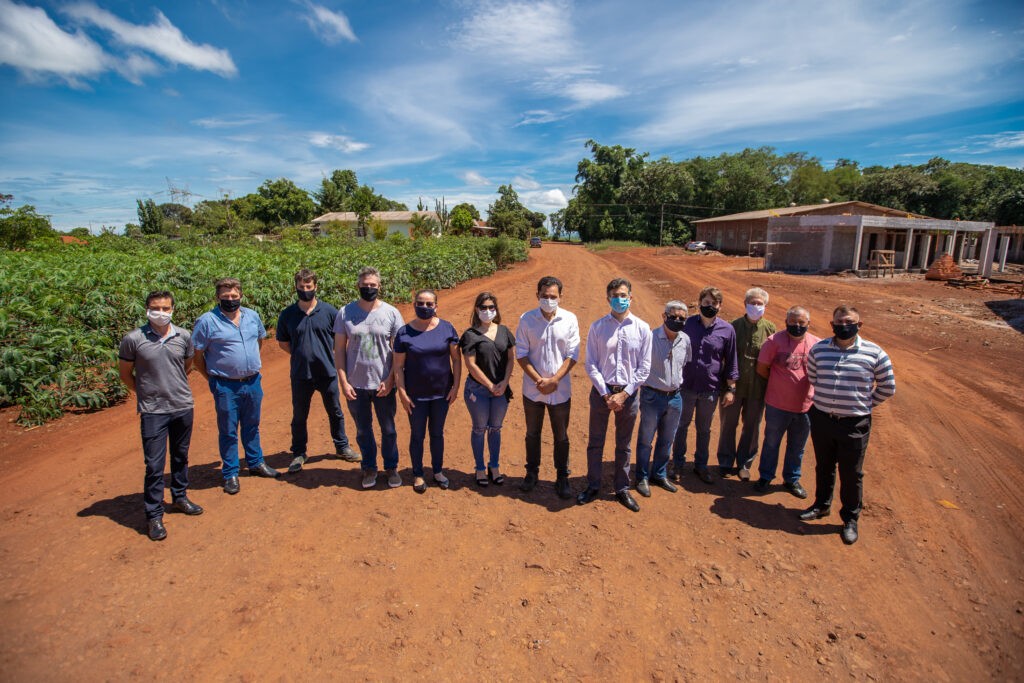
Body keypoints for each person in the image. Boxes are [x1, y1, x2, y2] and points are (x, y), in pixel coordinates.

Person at [800, 305, 896, 545]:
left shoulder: (874, 353)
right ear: (832, 325)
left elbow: (887, 387)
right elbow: (813, 377)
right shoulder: (819, 350)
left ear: (859, 325)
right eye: (839, 322)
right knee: (824, 466)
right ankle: (821, 505)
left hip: (854, 423)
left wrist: (862, 405)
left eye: (849, 322)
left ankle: (850, 519)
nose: (844, 326)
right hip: (822, 418)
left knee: (852, 473)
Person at [118, 290, 203, 541]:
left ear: (173, 310)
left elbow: (187, 367)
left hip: (182, 405)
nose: (161, 312)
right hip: (153, 411)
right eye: (156, 308)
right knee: (154, 465)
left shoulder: (183, 336)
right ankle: (154, 514)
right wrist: (144, 393)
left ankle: (179, 497)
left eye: (166, 308)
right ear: (147, 309)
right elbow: (125, 374)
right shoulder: (133, 339)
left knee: (180, 456)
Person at [192, 277, 281, 495]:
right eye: (225, 296)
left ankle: (256, 462)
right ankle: (230, 472)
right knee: (229, 430)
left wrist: (247, 365)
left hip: (252, 381)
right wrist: (211, 377)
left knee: (252, 425)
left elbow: (258, 342)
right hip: (225, 385)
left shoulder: (252, 316)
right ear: (217, 297)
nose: (230, 299)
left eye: (234, 296)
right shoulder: (206, 321)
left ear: (240, 295)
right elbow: (196, 355)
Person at [578, 278, 652, 512]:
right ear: (607, 298)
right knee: (595, 442)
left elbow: (645, 366)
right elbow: (590, 363)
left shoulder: (642, 328)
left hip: (629, 395)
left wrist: (624, 394)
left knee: (624, 444)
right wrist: (606, 393)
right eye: (614, 295)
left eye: (623, 295)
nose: (619, 299)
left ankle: (622, 488)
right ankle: (593, 484)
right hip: (602, 392)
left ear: (631, 297)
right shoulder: (598, 327)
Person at [276, 269, 359, 474]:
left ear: (316, 287)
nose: (305, 290)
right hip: (301, 374)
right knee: (299, 415)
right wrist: (301, 354)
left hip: (327, 371)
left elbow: (340, 340)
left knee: (335, 411)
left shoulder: (330, 312)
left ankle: (342, 447)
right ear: (296, 287)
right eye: (302, 287)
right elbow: (283, 343)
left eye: (309, 287)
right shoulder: (288, 315)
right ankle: (299, 452)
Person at [334, 266, 404, 490]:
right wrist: (343, 381)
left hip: (383, 384)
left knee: (389, 429)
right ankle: (369, 467)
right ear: (358, 286)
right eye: (365, 285)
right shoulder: (345, 313)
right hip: (356, 385)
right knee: (363, 431)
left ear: (379, 286)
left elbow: (399, 351)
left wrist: (391, 378)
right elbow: (339, 350)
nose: (369, 288)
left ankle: (391, 467)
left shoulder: (391, 313)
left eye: (373, 285)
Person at [515, 276, 580, 499]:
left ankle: (562, 476)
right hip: (533, 390)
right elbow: (521, 354)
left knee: (561, 435)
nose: (549, 300)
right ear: (537, 295)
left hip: (560, 390)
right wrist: (539, 381)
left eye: (553, 296)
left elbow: (573, 354)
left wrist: (554, 381)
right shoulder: (526, 319)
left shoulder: (570, 319)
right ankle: (531, 473)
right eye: (545, 296)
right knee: (532, 433)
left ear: (560, 297)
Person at [394, 290, 461, 493]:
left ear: (436, 306)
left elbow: (456, 359)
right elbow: (397, 366)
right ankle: (418, 474)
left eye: (429, 304)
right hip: (415, 395)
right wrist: (402, 393)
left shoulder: (447, 329)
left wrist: (455, 386)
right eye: (420, 303)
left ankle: (438, 471)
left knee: (437, 433)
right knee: (417, 434)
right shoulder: (404, 333)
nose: (424, 307)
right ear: (414, 305)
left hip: (441, 393)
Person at [671, 286, 738, 484]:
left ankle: (701, 465)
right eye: (706, 302)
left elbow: (731, 360)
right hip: (686, 386)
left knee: (704, 429)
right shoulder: (687, 324)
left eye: (714, 303)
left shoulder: (727, 330)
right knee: (681, 426)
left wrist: (730, 389)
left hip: (710, 388)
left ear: (720, 306)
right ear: (700, 303)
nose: (710, 306)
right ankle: (678, 464)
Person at [752, 306, 821, 497]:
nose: (797, 326)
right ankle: (765, 476)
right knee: (771, 443)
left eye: (801, 323)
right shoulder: (774, 341)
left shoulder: (817, 344)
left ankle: (792, 479)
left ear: (808, 324)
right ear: (786, 322)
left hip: (805, 406)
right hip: (777, 404)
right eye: (793, 322)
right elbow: (762, 368)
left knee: (798, 446)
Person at [634, 300, 692, 498]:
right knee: (646, 439)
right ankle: (641, 476)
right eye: (673, 317)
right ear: (664, 316)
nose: (677, 320)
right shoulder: (649, 338)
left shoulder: (685, 340)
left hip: (675, 397)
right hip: (652, 395)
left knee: (667, 439)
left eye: (681, 318)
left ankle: (659, 473)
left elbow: (685, 363)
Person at [717, 287, 776, 479]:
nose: (756, 306)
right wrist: (727, 387)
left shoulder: (770, 330)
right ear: (745, 304)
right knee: (728, 424)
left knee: (752, 427)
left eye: (760, 303)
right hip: (733, 387)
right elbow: (724, 358)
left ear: (765, 306)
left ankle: (744, 463)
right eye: (752, 303)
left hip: (758, 389)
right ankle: (725, 461)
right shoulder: (732, 327)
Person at [460, 292, 516, 487]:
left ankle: (494, 466)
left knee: (495, 429)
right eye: (483, 307)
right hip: (479, 390)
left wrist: (504, 382)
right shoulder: (470, 335)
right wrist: (490, 385)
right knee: (479, 428)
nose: (487, 311)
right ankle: (480, 468)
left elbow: (510, 359)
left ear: (496, 309)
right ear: (476, 309)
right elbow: (471, 365)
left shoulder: (504, 331)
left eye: (491, 307)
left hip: (501, 389)